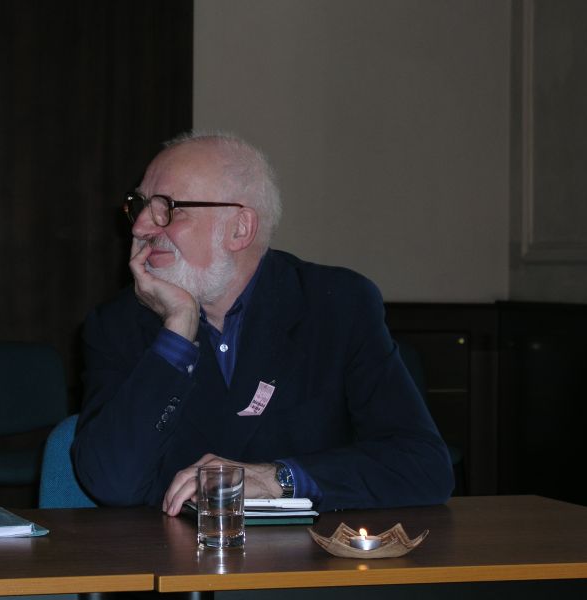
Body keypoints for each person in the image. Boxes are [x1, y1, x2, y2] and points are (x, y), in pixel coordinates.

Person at [71, 132, 454, 515]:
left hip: (313, 549)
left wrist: (281, 479)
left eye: (168, 208)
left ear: (240, 229)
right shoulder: (118, 324)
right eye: (140, 205)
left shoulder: (336, 305)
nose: (140, 227)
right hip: (175, 550)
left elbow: (422, 465)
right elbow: (111, 483)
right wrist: (177, 333)